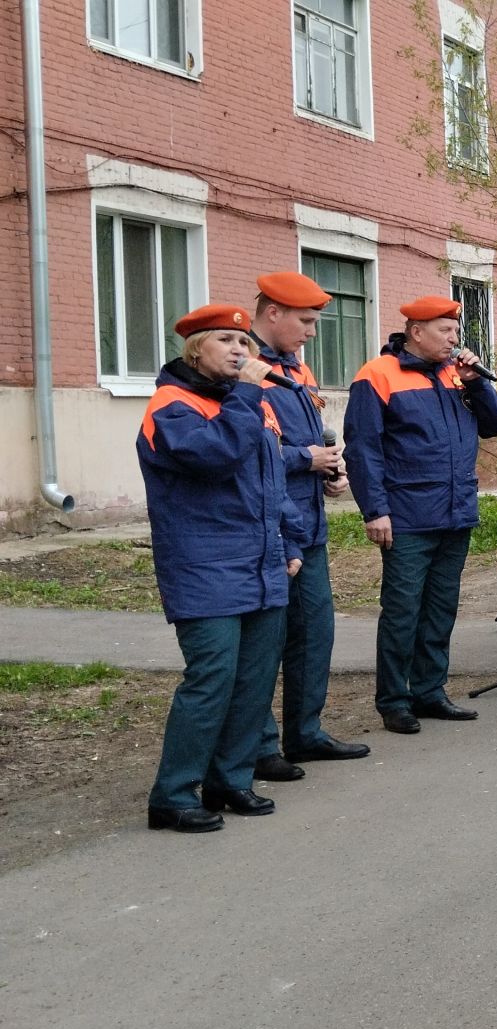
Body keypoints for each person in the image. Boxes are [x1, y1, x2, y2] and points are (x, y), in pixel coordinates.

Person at [138, 304, 304, 832]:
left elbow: (271, 478)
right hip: (204, 565)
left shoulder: (245, 403)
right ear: (196, 349)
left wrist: (292, 541)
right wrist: (249, 398)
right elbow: (216, 458)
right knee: (211, 678)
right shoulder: (173, 406)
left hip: (263, 564)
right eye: (227, 342)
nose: (240, 352)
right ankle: (173, 793)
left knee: (254, 681)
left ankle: (229, 780)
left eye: (244, 344)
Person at [345, 296, 497, 735]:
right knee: (402, 611)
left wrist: (477, 383)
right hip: (407, 515)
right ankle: (394, 701)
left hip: (455, 513)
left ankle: (430, 691)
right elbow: (363, 449)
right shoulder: (377, 376)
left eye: (456, 332)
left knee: (440, 608)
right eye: (445, 331)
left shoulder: (459, 375)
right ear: (416, 332)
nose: (454, 339)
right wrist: (375, 510)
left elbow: (495, 425)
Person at [250, 271, 370, 780]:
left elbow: (308, 436)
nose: (313, 332)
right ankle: (257, 747)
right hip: (270, 528)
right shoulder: (247, 371)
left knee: (313, 632)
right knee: (266, 642)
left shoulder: (295, 369)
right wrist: (306, 458)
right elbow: (248, 450)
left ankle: (305, 732)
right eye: (306, 321)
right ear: (272, 313)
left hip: (308, 523)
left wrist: (330, 471)